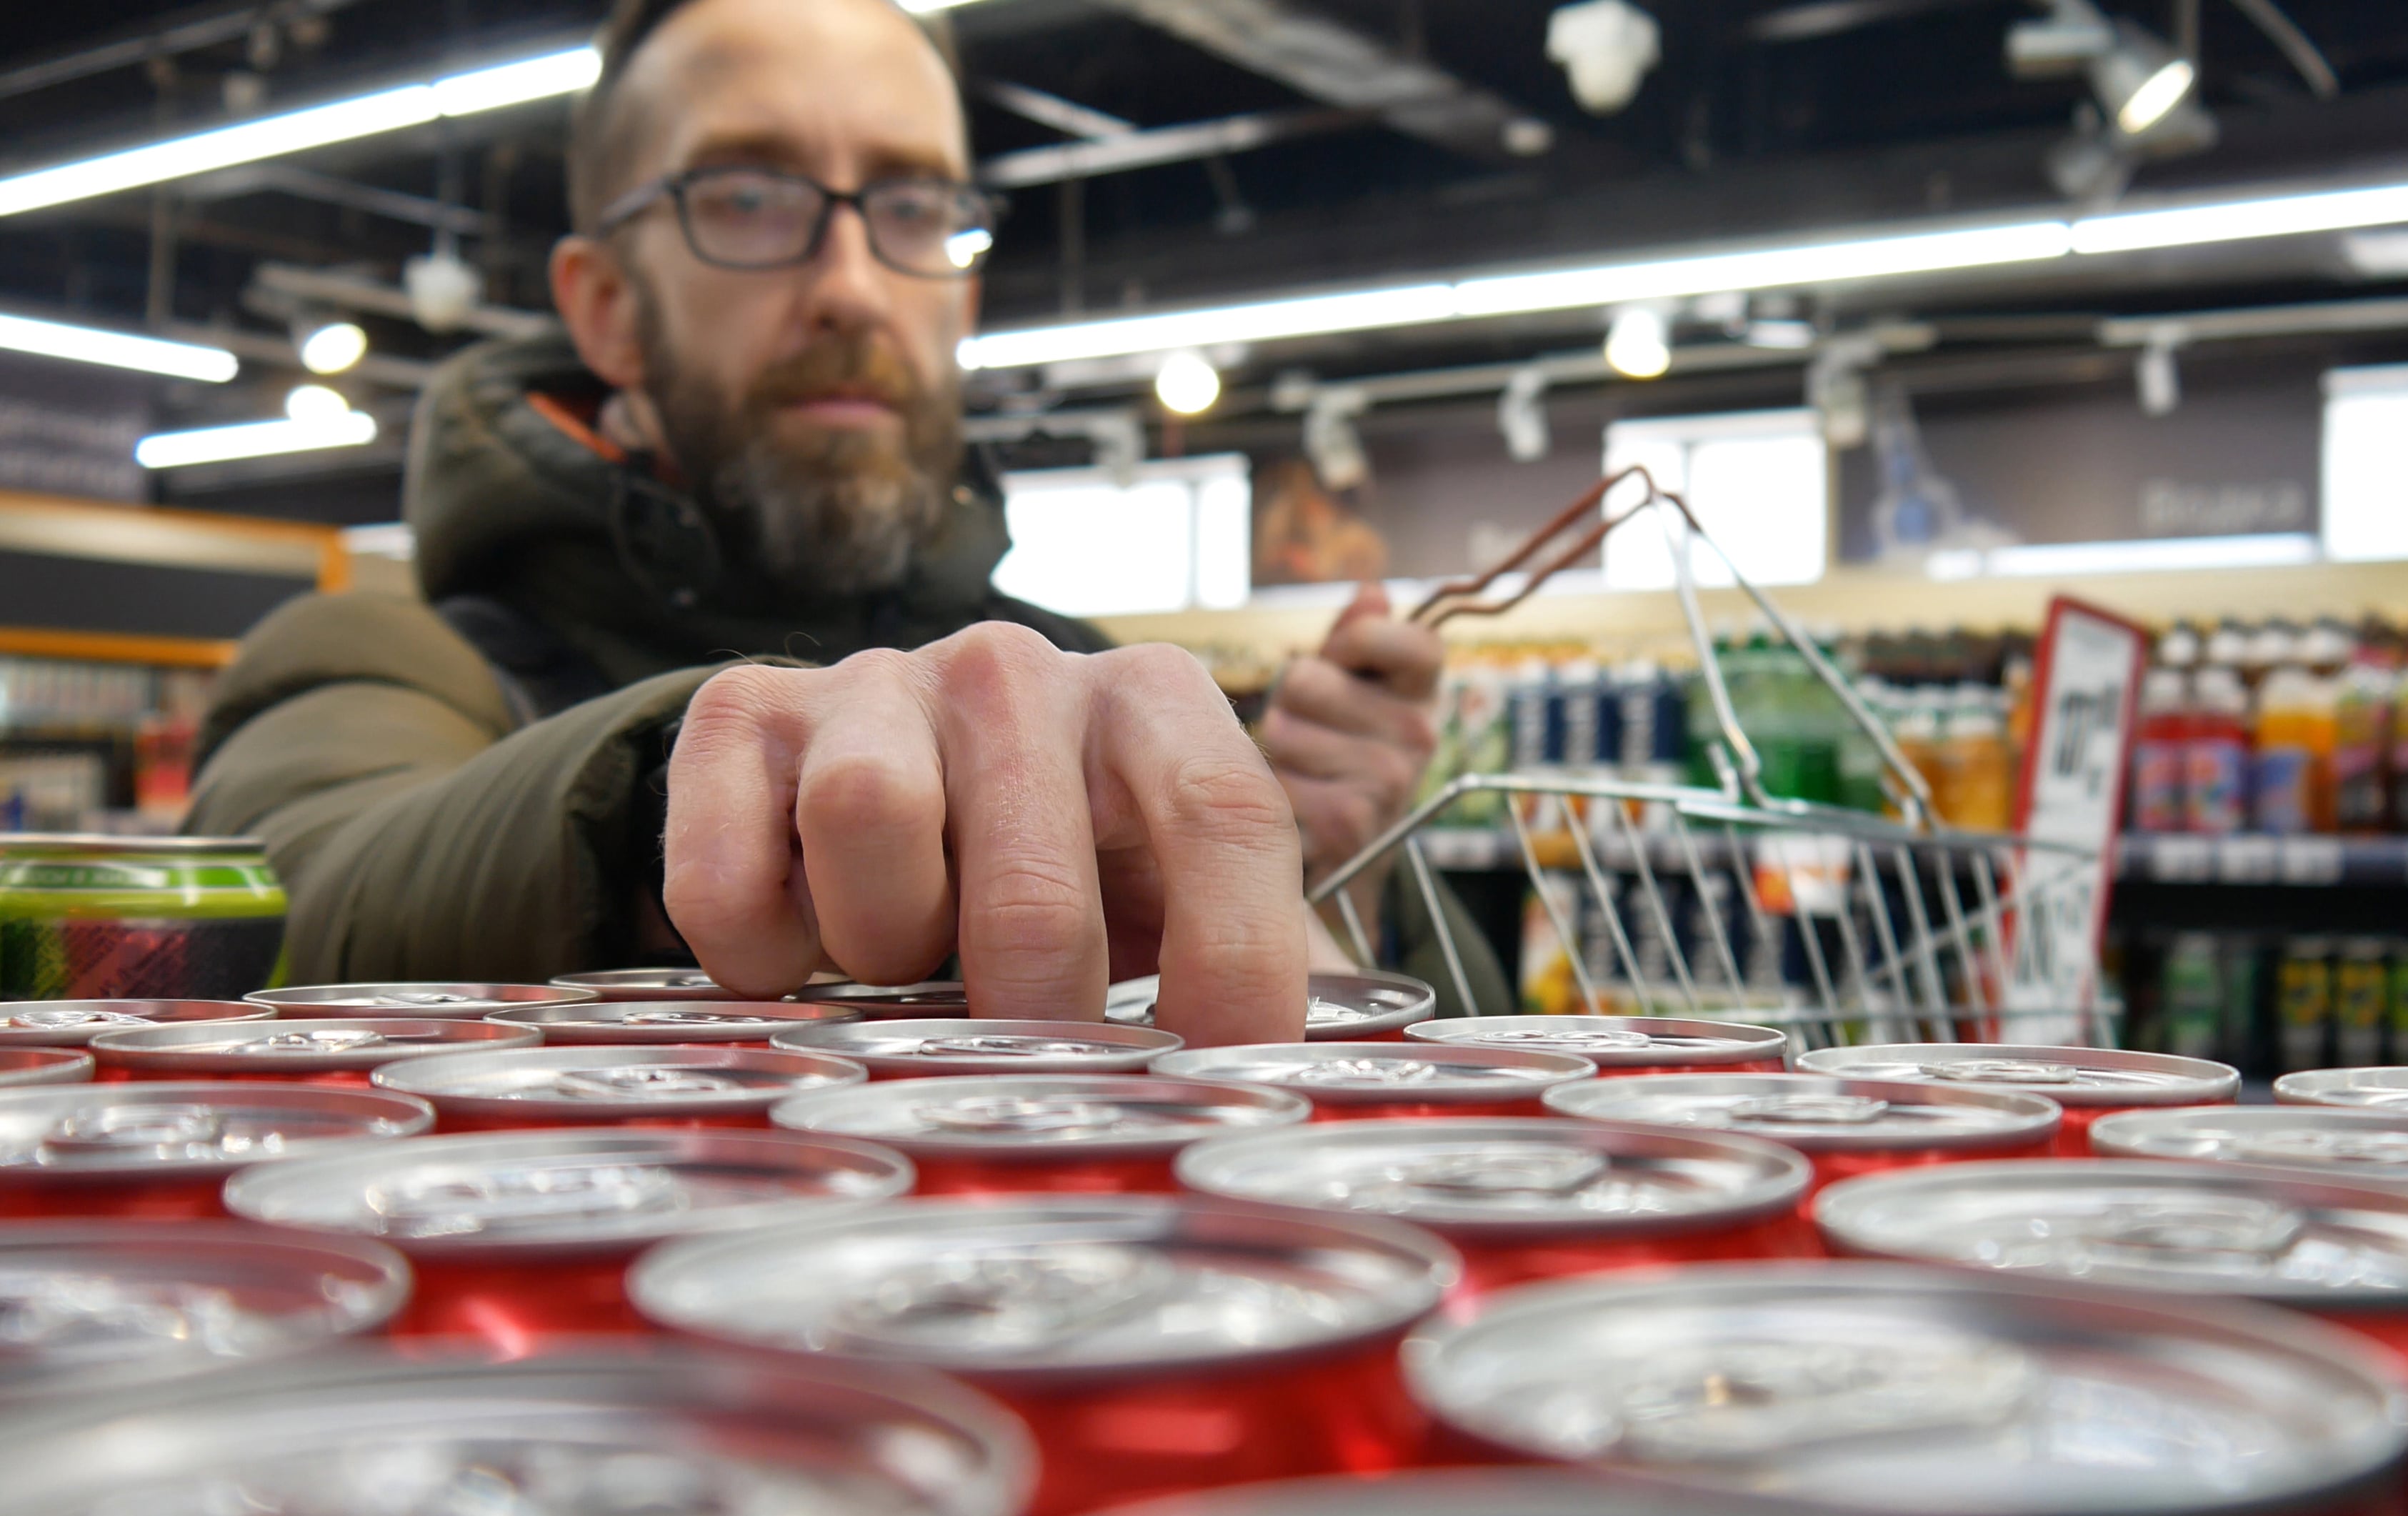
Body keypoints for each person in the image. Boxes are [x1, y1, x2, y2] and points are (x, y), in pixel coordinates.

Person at [186, 0, 1507, 1044]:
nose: (852, 284)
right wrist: (706, 787)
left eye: (913, 209)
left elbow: (1473, 1056)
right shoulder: (381, 654)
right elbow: (299, 902)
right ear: (605, 308)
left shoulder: (1068, 665)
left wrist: (1337, 868)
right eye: (749, 198)